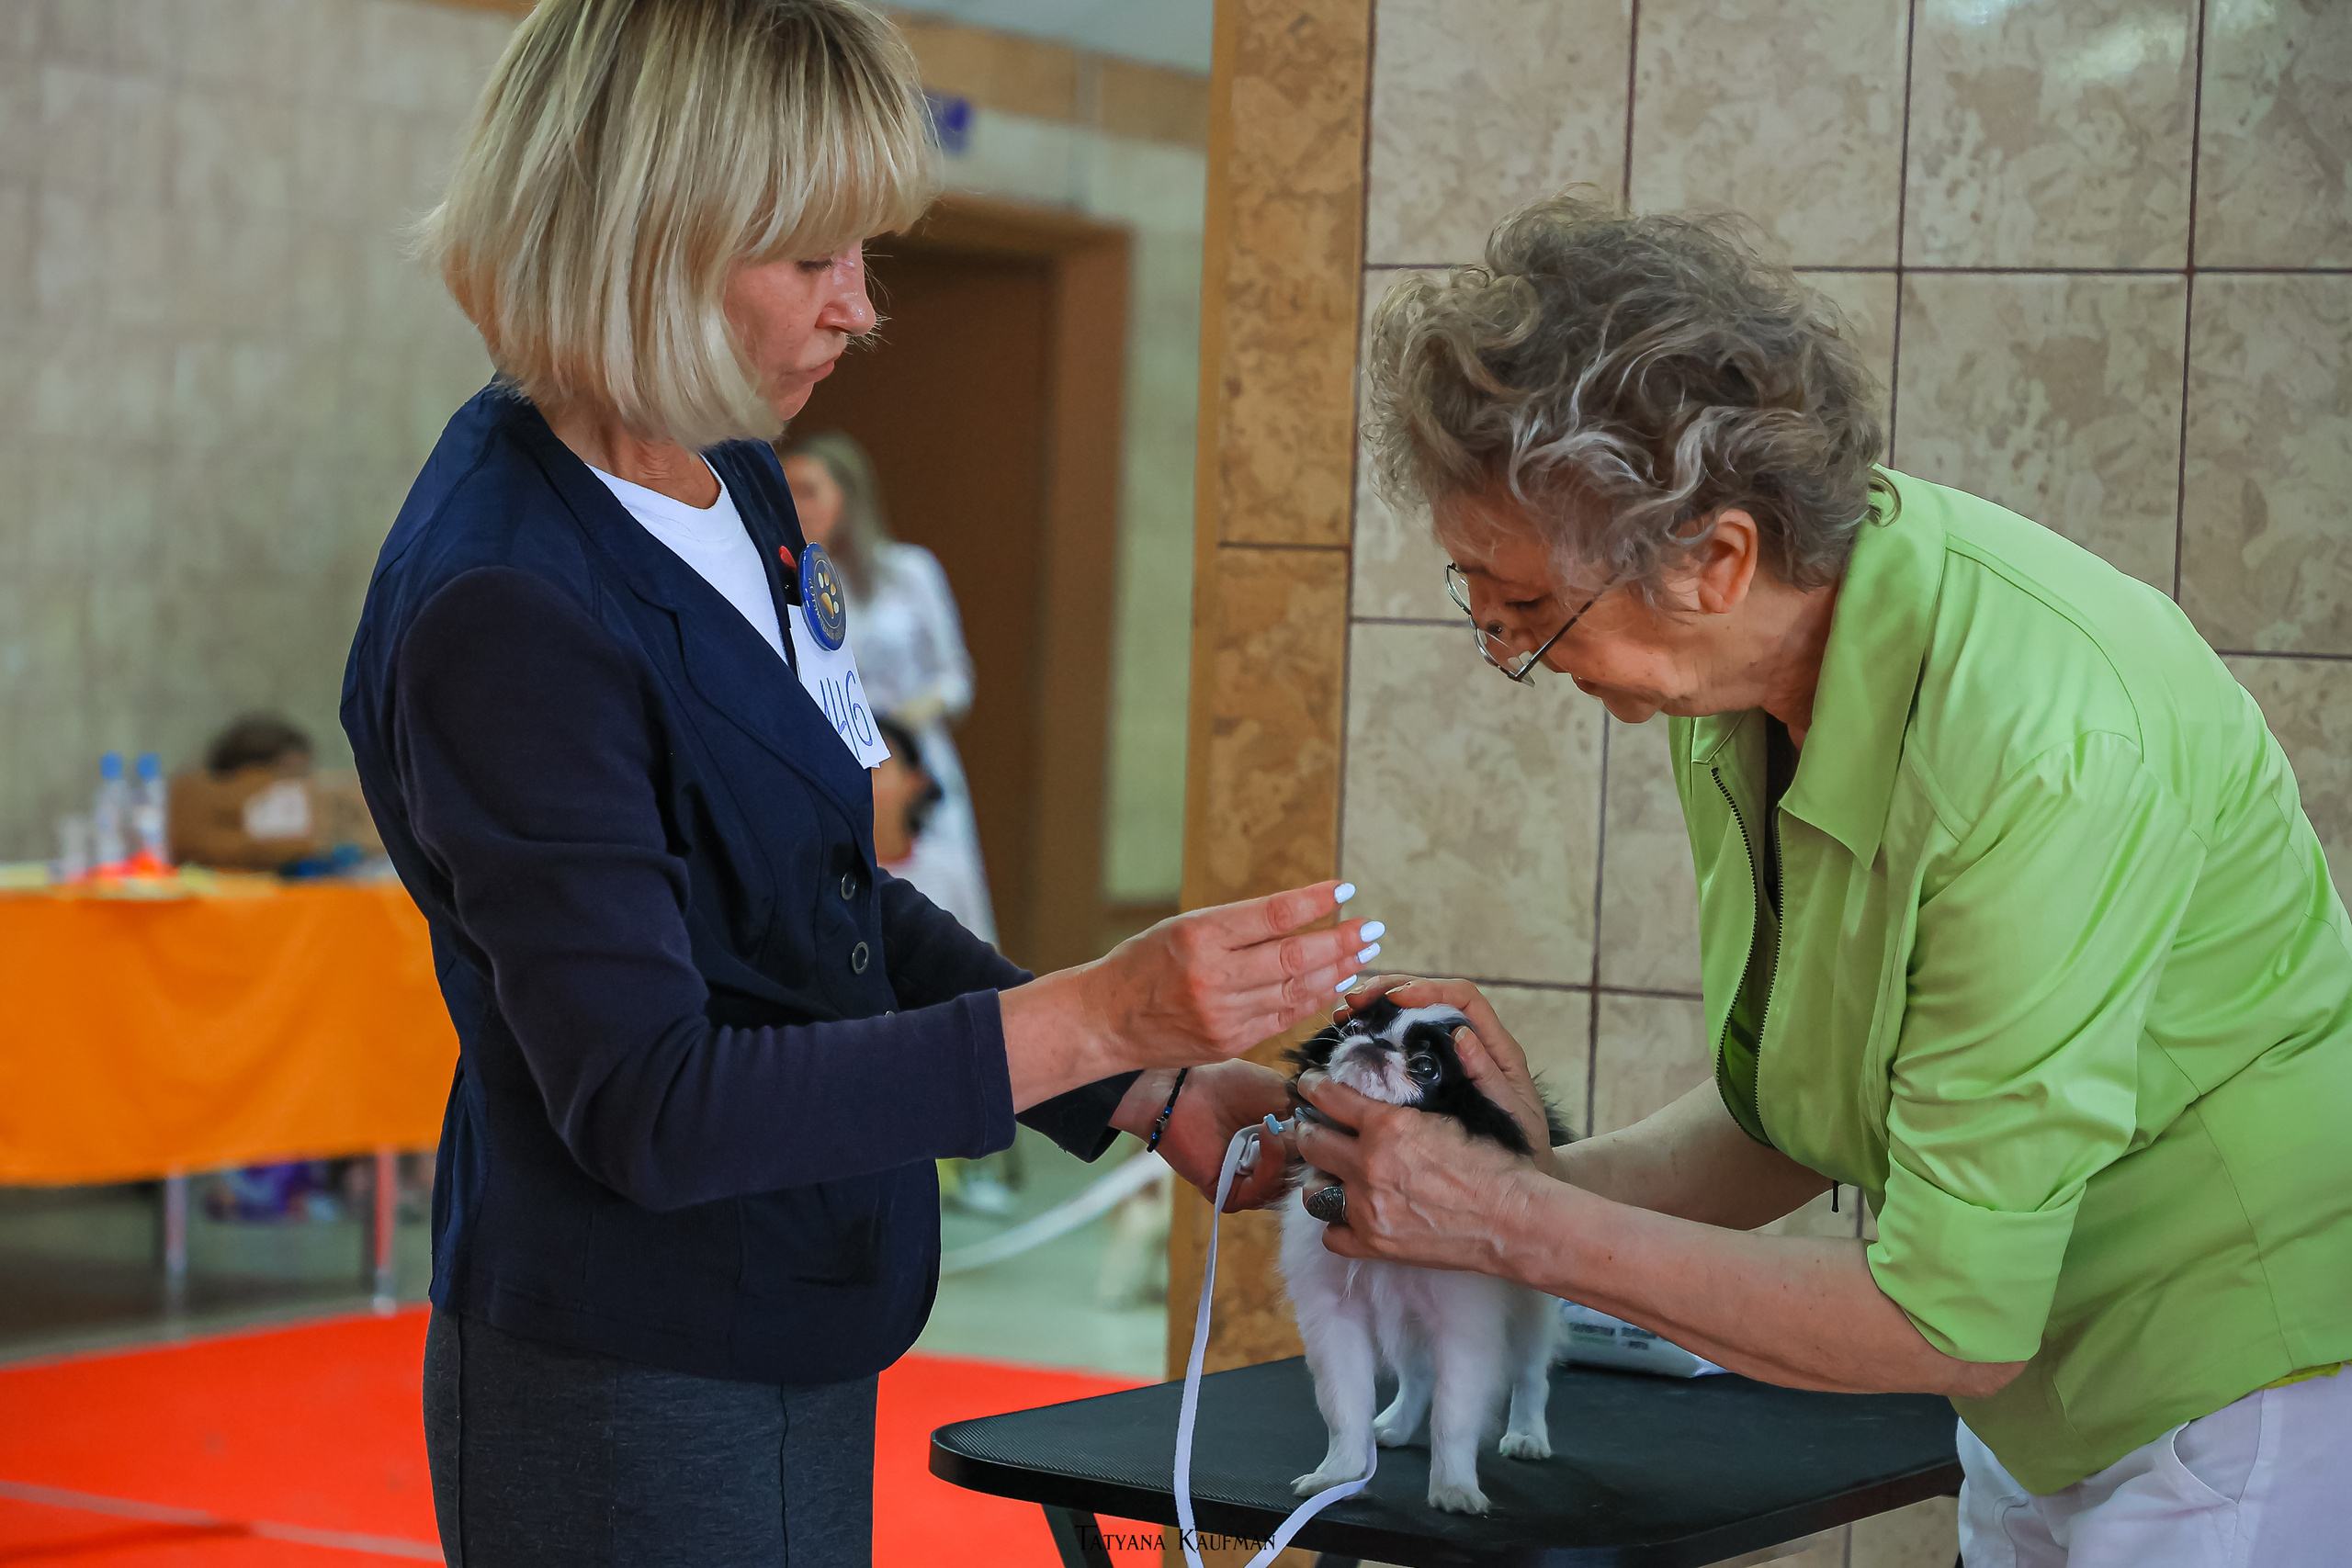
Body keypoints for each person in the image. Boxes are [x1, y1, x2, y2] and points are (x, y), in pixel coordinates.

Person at [338, 5, 1377, 1562]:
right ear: (647, 237)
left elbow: (820, 902)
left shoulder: (729, 474)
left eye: (865, 253)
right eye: (813, 258)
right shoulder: (512, 602)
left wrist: (1134, 1087)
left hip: (793, 1305)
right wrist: (1100, 1011)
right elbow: (653, 1104)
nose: (862, 309)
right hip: (639, 1360)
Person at [1284, 194, 2351, 1567]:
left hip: (2233, 1387)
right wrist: (1485, 1168)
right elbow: (1795, 1113)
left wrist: (1509, 1218)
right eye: (1472, 594)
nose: (1504, 647)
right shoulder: (1741, 685)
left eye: (1531, 607)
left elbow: (1947, 1318)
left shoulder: (2045, 745)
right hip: (2044, 1392)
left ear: (1715, 558)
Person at [782, 432, 997, 942]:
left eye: (809, 490)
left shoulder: (910, 570)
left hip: (911, 759)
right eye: (785, 491)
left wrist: (903, 722)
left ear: (847, 496)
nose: (796, 505)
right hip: (837, 761)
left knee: (943, 892)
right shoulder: (788, 581)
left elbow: (955, 678)